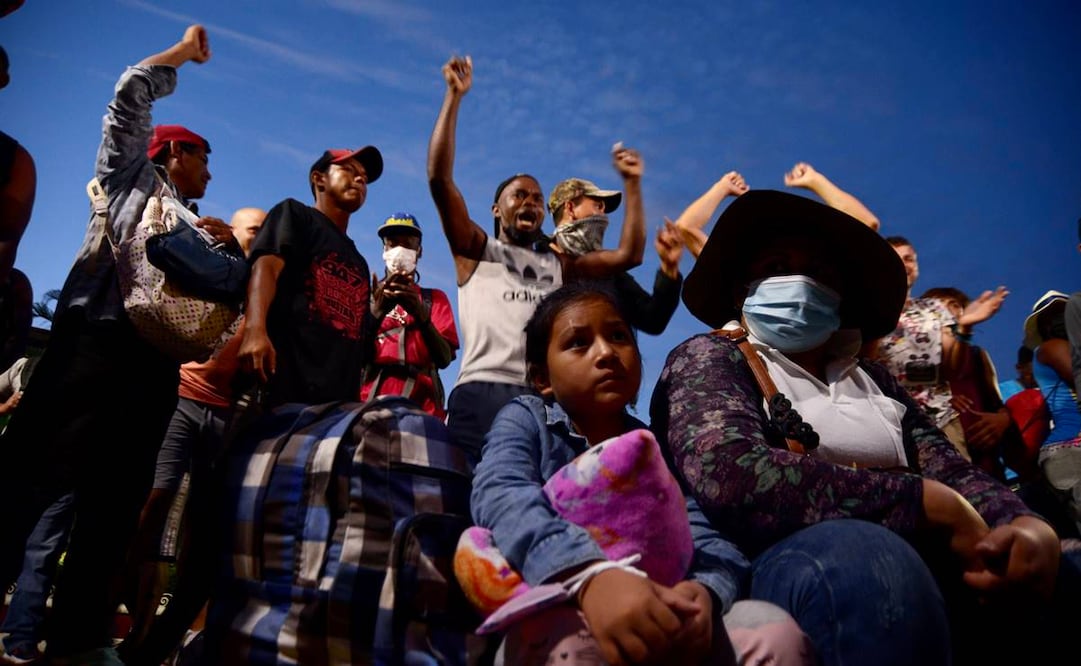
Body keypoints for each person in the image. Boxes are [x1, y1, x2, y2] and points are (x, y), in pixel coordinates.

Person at [652, 190, 1079, 665]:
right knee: (867, 559)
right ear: (741, 291)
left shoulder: (873, 378)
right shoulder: (710, 355)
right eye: (777, 265)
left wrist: (1022, 524)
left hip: (927, 556)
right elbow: (728, 472)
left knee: (1057, 569)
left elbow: (950, 470)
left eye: (820, 272)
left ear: (841, 297)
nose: (800, 280)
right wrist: (922, 503)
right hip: (780, 566)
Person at [0, 25, 236, 664]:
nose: (210, 172)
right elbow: (130, 91)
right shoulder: (129, 175)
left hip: (152, 369)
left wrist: (222, 253)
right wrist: (183, 55)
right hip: (91, 348)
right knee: (28, 485)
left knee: (113, 510)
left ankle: (78, 641)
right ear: (172, 153)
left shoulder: (196, 225)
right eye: (202, 157)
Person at [472, 282, 813, 665]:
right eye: (578, 343)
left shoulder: (654, 445)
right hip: (557, 602)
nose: (606, 353)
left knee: (772, 631)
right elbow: (500, 494)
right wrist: (588, 576)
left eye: (619, 336)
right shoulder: (529, 420)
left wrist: (705, 591)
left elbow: (699, 529)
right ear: (542, 379)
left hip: (664, 609)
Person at [427, 55, 645, 461]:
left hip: (543, 394)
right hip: (482, 390)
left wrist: (632, 185)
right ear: (497, 209)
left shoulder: (559, 264)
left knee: (546, 496)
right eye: (519, 195)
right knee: (469, 502)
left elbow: (630, 255)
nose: (530, 202)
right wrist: (453, 98)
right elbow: (440, 180)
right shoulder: (475, 251)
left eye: (538, 199)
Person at [118, 207, 265, 666]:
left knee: (199, 528)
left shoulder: (267, 284)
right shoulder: (216, 264)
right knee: (153, 503)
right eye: (254, 231)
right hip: (184, 394)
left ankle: (154, 635)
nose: (262, 240)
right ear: (233, 230)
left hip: (227, 413)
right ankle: (117, 614)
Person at [237, 145, 382, 409]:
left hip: (334, 406)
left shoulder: (359, 261)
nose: (360, 179)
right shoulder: (296, 215)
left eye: (364, 177)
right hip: (281, 387)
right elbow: (265, 268)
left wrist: (378, 310)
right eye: (349, 170)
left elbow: (356, 332)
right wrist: (255, 329)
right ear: (319, 178)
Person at [874, 236, 1008, 459]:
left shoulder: (934, 308)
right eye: (896, 259)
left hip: (944, 422)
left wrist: (964, 327)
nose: (904, 264)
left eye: (909, 258)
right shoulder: (873, 312)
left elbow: (950, 369)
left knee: (963, 488)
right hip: (894, 425)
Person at [547, 178, 682, 335]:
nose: (603, 215)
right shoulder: (532, 257)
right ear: (570, 208)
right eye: (598, 206)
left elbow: (653, 320)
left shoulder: (612, 276)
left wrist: (669, 268)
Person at [361, 213, 458, 418]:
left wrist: (420, 314)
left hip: (423, 411)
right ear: (384, 250)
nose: (399, 250)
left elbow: (444, 358)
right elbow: (351, 355)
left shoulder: (434, 299)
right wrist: (376, 312)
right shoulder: (365, 296)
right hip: (368, 408)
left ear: (418, 251)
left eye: (407, 245)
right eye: (392, 243)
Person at [674, 162, 879, 259]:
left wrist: (816, 182)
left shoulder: (816, 269)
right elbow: (685, 228)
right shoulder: (740, 270)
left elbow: (866, 223)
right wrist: (722, 187)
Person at [920, 286, 1015, 481]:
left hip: (986, 464)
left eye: (951, 306)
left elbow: (997, 404)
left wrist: (1001, 421)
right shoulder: (915, 361)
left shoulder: (976, 356)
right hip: (942, 465)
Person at [1023, 290, 1081, 536]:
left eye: (1062, 312)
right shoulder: (1050, 347)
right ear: (1044, 327)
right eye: (1051, 316)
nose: (1059, 319)